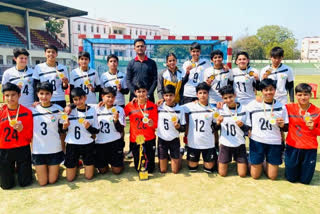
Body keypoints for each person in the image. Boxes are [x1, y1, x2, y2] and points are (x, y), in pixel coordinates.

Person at [246, 79, 288, 180]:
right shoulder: (253, 105)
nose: (268, 92)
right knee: (255, 176)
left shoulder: (281, 107)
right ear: (261, 91)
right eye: (265, 90)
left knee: (272, 176)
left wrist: (282, 125)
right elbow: (247, 123)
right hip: (257, 141)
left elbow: (286, 128)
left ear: (275, 90)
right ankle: (250, 159)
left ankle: (264, 162)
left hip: (274, 142)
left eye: (271, 89)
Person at [31, 82, 65, 186]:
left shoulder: (58, 109)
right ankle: (48, 168)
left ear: (51, 94)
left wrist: (66, 124)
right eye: (41, 93)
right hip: (38, 151)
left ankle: (55, 167)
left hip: (54, 150)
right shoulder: (32, 110)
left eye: (47, 93)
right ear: (37, 94)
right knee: (42, 182)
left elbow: (63, 128)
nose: (44, 96)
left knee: (52, 181)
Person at [285, 83, 320, 184]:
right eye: (300, 95)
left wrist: (313, 128)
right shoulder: (289, 108)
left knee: (305, 181)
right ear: (295, 96)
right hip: (292, 146)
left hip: (309, 148)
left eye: (306, 94)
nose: (303, 97)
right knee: (291, 179)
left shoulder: (317, 111)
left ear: (310, 95)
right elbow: (274, 107)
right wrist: (260, 101)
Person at [0, 83, 33, 189]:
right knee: (6, 185)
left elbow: (30, 136)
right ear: (3, 97)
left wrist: (22, 130)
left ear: (19, 95)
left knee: (25, 183)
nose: (10, 98)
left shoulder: (27, 112)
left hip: (22, 148)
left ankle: (20, 170)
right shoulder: (1, 112)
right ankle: (9, 171)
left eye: (13, 95)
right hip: (4, 150)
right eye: (7, 95)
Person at [62, 87, 99, 182]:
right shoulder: (69, 112)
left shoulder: (92, 110)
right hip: (72, 144)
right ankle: (76, 166)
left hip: (87, 144)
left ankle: (88, 164)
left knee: (89, 177)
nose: (78, 102)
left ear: (85, 98)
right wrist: (64, 127)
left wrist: (89, 127)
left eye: (80, 98)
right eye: (75, 99)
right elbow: (61, 130)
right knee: (70, 178)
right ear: (72, 100)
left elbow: (96, 131)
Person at [183, 82, 218, 173]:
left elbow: (216, 126)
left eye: (205, 93)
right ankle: (183, 151)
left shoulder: (213, 109)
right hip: (194, 143)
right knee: (192, 168)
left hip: (208, 143)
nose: (202, 95)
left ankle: (216, 152)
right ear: (196, 95)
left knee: (209, 169)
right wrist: (162, 102)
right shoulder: (189, 106)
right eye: (200, 93)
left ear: (208, 94)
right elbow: (173, 107)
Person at [124, 82, 158, 173]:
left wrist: (152, 124)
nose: (141, 94)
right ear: (135, 92)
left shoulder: (152, 106)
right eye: (139, 91)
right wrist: (104, 105)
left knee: (150, 169)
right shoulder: (130, 106)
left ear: (147, 92)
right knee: (138, 168)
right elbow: (120, 115)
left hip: (149, 138)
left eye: (143, 91)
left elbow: (156, 125)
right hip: (136, 139)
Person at [216, 85, 249, 177]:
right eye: (225, 98)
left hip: (240, 143)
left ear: (235, 95)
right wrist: (218, 123)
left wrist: (242, 126)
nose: (228, 100)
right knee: (222, 174)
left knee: (242, 174)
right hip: (225, 143)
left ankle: (247, 158)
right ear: (222, 99)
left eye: (230, 97)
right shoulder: (220, 109)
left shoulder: (244, 109)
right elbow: (214, 129)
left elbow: (248, 129)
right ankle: (219, 158)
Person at [95, 87, 125, 175]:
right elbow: (80, 104)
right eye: (108, 97)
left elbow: (121, 129)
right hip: (100, 143)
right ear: (102, 96)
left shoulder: (119, 109)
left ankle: (119, 160)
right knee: (102, 171)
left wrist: (116, 121)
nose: (110, 99)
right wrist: (70, 106)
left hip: (114, 142)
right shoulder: (96, 109)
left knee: (117, 171)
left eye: (113, 97)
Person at [157, 85, 185, 173]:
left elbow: (183, 128)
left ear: (175, 95)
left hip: (174, 139)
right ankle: (166, 157)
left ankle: (180, 153)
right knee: (163, 170)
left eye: (171, 95)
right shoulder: (159, 107)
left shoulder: (180, 109)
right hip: (162, 139)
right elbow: (145, 106)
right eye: (166, 95)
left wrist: (179, 127)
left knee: (175, 171)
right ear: (163, 96)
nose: (168, 98)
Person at [127, 38, 157, 102]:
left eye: (142, 46)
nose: (140, 48)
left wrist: (148, 94)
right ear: (134, 48)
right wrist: (135, 94)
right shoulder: (131, 63)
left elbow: (155, 80)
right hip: (134, 98)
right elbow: (128, 80)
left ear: (145, 48)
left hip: (148, 97)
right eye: (138, 46)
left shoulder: (152, 63)